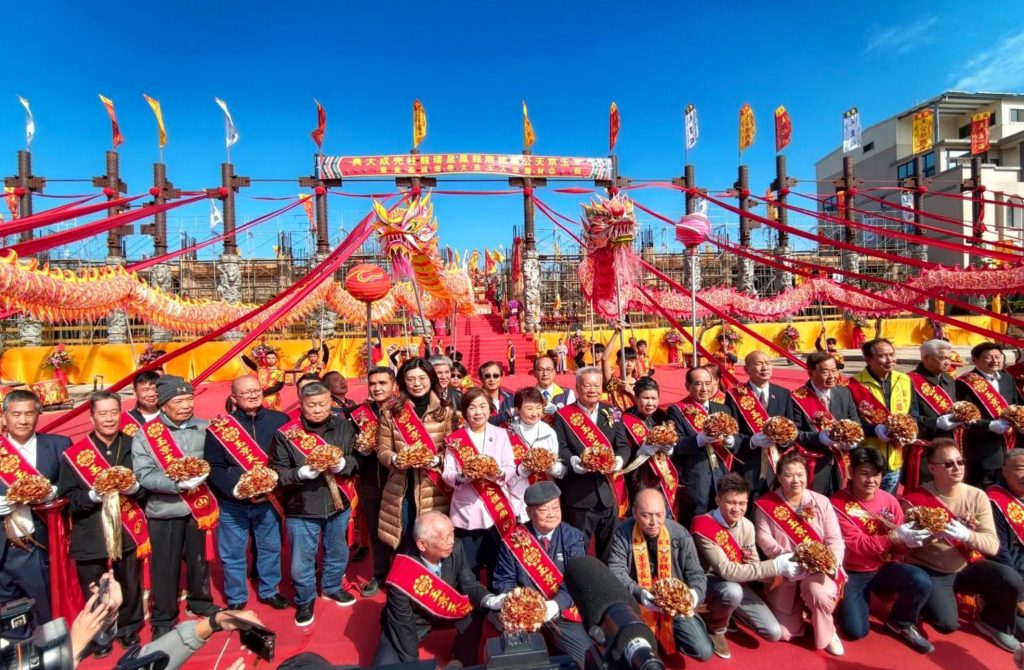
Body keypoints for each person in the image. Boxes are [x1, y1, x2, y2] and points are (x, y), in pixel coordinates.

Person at [903, 438, 1023, 651]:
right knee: (946, 624)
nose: (957, 468)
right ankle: (923, 602)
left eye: (960, 462)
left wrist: (967, 535)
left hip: (966, 566)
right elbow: (902, 547)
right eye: (948, 464)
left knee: (1009, 577)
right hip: (933, 571)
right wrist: (922, 538)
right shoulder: (915, 499)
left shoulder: (977, 496)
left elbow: (992, 545)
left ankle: (992, 622)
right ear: (932, 468)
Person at [57, 391, 146, 655]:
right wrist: (92, 496)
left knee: (130, 581)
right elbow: (68, 499)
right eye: (102, 413)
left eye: (113, 412)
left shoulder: (135, 444)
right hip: (91, 530)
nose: (109, 419)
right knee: (95, 587)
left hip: (127, 528)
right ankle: (99, 635)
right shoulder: (75, 454)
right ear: (91, 417)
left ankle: (128, 628)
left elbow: (147, 486)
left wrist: (135, 489)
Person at [131, 375, 218, 638]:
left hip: (198, 509)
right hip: (164, 509)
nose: (185, 405)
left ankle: (200, 602)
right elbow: (144, 474)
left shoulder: (205, 427)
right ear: (164, 404)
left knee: (199, 561)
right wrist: (176, 484)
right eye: (178, 401)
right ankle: (164, 617)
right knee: (164, 566)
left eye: (189, 399)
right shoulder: (146, 435)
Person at [270, 381, 358, 626]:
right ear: (301, 404)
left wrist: (345, 465)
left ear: (331, 402)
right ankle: (305, 599)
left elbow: (356, 458)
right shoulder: (286, 433)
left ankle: (332, 586)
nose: (318, 409)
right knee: (302, 560)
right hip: (302, 506)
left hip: (338, 503)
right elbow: (277, 471)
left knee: (337, 550)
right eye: (311, 405)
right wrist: (299, 473)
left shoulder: (344, 426)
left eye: (322, 404)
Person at [830, 447, 933, 653]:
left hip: (883, 566)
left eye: (876, 474)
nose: (871, 480)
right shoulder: (837, 504)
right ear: (851, 472)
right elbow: (857, 544)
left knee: (920, 580)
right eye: (864, 473)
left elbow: (899, 546)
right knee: (856, 631)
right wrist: (894, 537)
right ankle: (843, 603)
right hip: (852, 572)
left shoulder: (889, 500)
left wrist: (910, 542)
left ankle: (900, 622)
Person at [204, 375, 290, 611]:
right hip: (233, 502)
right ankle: (236, 595)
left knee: (270, 548)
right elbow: (214, 466)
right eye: (245, 392)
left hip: (269, 499)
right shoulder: (220, 428)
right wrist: (235, 489)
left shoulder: (280, 420)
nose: (252, 395)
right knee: (232, 552)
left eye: (256, 390)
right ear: (234, 398)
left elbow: (288, 457)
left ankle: (270, 590)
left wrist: (273, 483)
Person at [372, 511, 501, 666]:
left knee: (476, 606)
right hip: (414, 620)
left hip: (449, 608)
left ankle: (462, 658)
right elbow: (403, 625)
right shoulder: (402, 572)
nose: (451, 541)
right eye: (445, 538)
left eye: (452, 533)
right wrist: (413, 664)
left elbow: (469, 584)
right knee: (387, 664)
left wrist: (490, 599)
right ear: (422, 544)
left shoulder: (456, 547)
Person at [492, 481, 592, 669]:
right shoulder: (513, 539)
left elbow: (577, 579)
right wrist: (520, 606)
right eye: (544, 510)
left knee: (586, 659)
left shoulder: (572, 537)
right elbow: (504, 581)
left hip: (562, 612)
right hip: (525, 615)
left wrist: (555, 606)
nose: (552, 514)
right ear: (529, 512)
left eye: (556, 507)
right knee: (520, 662)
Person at [754, 451, 846, 655]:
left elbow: (835, 539)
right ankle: (801, 609)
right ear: (779, 477)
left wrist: (828, 561)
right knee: (784, 633)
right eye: (789, 475)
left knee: (817, 593)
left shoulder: (822, 501)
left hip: (817, 570)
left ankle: (828, 631)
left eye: (800, 474)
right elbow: (763, 538)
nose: (796, 480)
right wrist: (790, 557)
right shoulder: (766, 505)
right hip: (787, 569)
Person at [691, 473, 789, 659]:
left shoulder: (747, 526)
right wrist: (775, 566)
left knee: (773, 632)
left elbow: (752, 564)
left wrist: (781, 573)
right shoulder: (703, 525)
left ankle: (729, 611)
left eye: (742, 503)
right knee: (732, 591)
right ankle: (715, 627)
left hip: (738, 581)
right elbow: (727, 571)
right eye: (731, 502)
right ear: (718, 500)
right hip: (709, 582)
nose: (737, 509)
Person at [608, 489, 713, 661]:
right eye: (646, 515)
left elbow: (696, 574)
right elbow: (616, 570)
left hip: (674, 602)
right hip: (638, 600)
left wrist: (691, 598)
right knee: (629, 655)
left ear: (666, 511)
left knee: (703, 651)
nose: (653, 522)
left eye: (659, 515)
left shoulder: (679, 533)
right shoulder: (623, 532)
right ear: (634, 512)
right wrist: (640, 593)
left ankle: (670, 636)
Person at [0, 390, 69, 637]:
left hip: (35, 546)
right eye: (16, 414)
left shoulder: (58, 445)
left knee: (45, 614)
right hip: (3, 550)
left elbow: (72, 487)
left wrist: (52, 493)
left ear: (38, 415)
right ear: (4, 417)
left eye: (29, 414)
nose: (23, 420)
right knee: (8, 621)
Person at [442, 388, 523, 584]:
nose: (478, 412)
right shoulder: (456, 439)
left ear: (490, 409)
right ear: (464, 411)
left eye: (482, 406)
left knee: (498, 562)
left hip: (497, 510)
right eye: (472, 407)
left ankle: (497, 598)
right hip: (466, 512)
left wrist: (498, 474)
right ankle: (473, 599)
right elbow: (447, 473)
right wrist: (462, 476)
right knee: (469, 566)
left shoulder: (502, 434)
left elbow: (510, 466)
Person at [377, 359, 456, 552]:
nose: (417, 384)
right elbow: (382, 450)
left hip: (434, 489)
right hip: (401, 489)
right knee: (406, 544)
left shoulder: (445, 411)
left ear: (431, 379)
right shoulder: (391, 412)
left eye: (422, 378)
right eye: (410, 379)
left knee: (434, 545)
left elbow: (453, 449)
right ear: (403, 382)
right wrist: (394, 459)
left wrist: (437, 459)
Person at [553, 367, 629, 559]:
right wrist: (573, 462)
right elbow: (560, 448)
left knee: (610, 551)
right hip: (580, 495)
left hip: (609, 493)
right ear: (577, 387)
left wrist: (618, 461)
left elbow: (623, 445)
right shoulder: (564, 415)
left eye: (597, 385)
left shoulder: (613, 412)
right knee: (578, 550)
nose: (593, 390)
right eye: (587, 385)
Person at [668, 366, 741, 526]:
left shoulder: (723, 409)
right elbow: (676, 445)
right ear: (687, 386)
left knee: (723, 520)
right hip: (695, 478)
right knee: (696, 522)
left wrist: (731, 441)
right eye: (698, 384)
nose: (704, 388)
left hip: (722, 474)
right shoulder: (678, 410)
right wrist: (699, 440)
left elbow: (737, 439)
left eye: (708, 383)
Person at [349, 366, 397, 598]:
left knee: (401, 531)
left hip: (399, 482)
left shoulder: (403, 412)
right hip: (370, 482)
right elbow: (351, 449)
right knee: (377, 531)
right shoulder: (359, 415)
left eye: (382, 383)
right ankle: (380, 574)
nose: (377, 388)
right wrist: (361, 450)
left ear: (394, 386)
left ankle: (402, 576)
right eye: (373, 384)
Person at [789, 352, 861, 496]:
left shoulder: (844, 393)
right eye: (825, 372)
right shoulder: (796, 398)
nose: (832, 376)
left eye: (834, 370)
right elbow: (794, 433)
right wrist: (819, 438)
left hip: (843, 462)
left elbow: (856, 423)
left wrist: (854, 440)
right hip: (814, 466)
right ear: (810, 372)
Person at [726, 350, 796, 495]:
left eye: (768, 363)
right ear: (746, 369)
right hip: (748, 466)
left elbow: (792, 429)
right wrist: (751, 441)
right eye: (758, 364)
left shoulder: (783, 393)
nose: (765, 368)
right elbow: (731, 433)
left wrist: (783, 441)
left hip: (777, 465)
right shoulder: (735, 395)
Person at [847, 338, 912, 494]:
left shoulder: (904, 379)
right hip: (867, 461)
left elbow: (913, 412)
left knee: (887, 504)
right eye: (883, 356)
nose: (889, 360)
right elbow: (850, 425)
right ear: (868, 359)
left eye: (892, 354)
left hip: (895, 460)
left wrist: (911, 429)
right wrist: (875, 430)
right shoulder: (853, 385)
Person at [956, 342, 1023, 488]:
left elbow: (1016, 405)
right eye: (988, 357)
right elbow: (964, 416)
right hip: (982, 449)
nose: (995, 361)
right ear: (975, 360)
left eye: (998, 356)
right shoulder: (964, 383)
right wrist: (990, 425)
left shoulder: (1007, 378)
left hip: (1009, 446)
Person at [614, 376, 677, 515]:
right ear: (636, 398)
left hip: (663, 477)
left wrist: (670, 450)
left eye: (654, 398)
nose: (650, 403)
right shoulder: (624, 419)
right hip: (638, 478)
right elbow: (621, 450)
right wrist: (640, 452)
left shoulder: (663, 417)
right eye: (646, 398)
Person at [907, 339, 959, 488]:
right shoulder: (910, 380)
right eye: (941, 358)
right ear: (926, 358)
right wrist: (935, 423)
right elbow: (908, 416)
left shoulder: (949, 379)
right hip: (925, 447)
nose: (947, 362)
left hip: (950, 442)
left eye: (949, 358)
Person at [989, 448, 1024, 639]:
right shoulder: (994, 500)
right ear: (1004, 470)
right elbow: (1000, 551)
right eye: (1019, 469)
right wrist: (1020, 596)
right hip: (1012, 576)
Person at [507, 387, 565, 481]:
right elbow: (503, 471)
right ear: (518, 410)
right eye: (529, 409)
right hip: (517, 488)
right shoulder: (508, 432)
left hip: (545, 487)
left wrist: (550, 465)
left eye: (538, 408)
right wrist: (523, 468)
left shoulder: (549, 432)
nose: (535, 413)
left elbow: (562, 472)